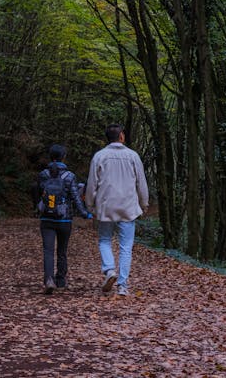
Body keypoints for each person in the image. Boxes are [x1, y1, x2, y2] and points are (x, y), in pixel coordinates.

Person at [85, 123, 149, 296]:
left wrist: (90, 205)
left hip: (106, 207)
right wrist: (144, 203)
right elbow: (141, 182)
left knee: (105, 240)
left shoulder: (99, 156)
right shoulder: (133, 156)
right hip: (128, 208)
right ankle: (122, 285)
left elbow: (92, 183)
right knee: (126, 247)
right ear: (121, 136)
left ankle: (109, 270)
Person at [36, 143, 89, 294]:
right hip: (65, 219)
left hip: (47, 218)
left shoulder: (43, 174)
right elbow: (75, 197)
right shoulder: (69, 176)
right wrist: (84, 213)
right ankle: (60, 280)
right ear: (64, 157)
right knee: (62, 250)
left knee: (48, 250)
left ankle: (49, 280)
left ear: (50, 156)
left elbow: (40, 193)